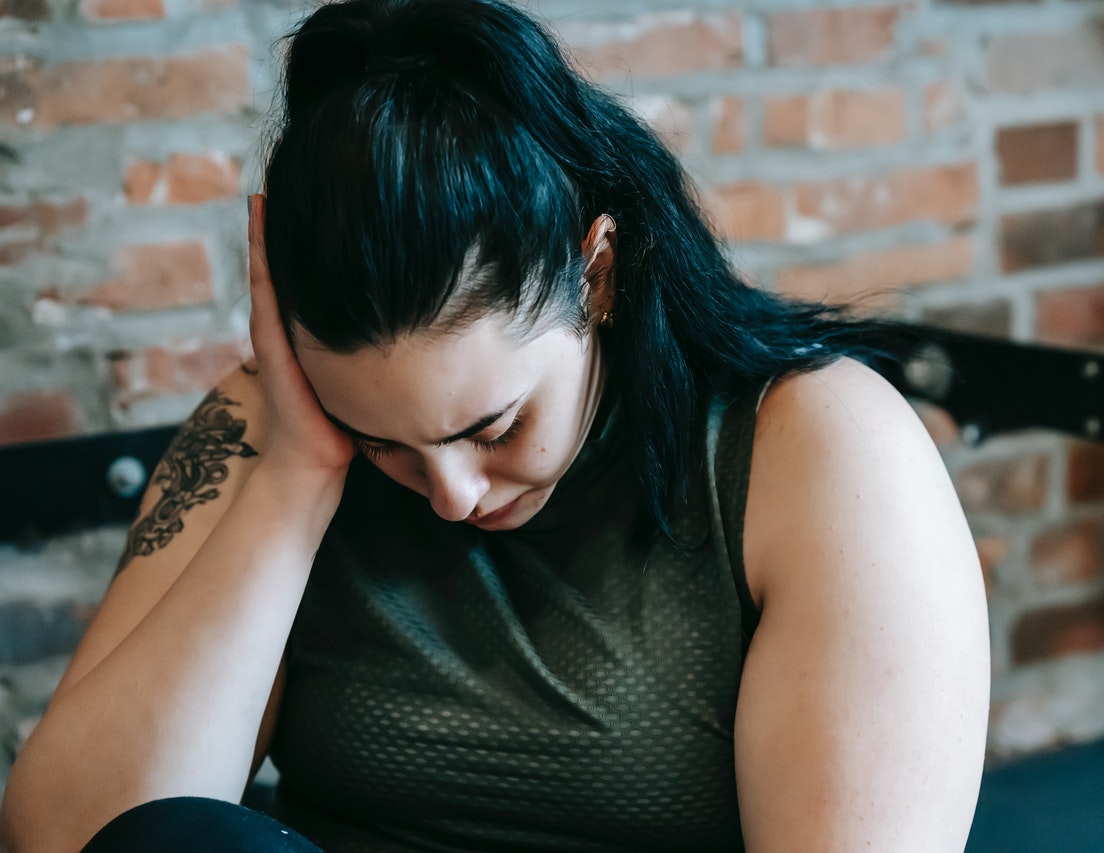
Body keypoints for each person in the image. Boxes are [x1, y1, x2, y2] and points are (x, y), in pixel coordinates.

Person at [0, 0, 990, 849]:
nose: (450, 494)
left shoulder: (819, 444)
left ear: (596, 274)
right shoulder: (267, 425)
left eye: (494, 425)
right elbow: (77, 838)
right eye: (381, 440)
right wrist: (299, 471)